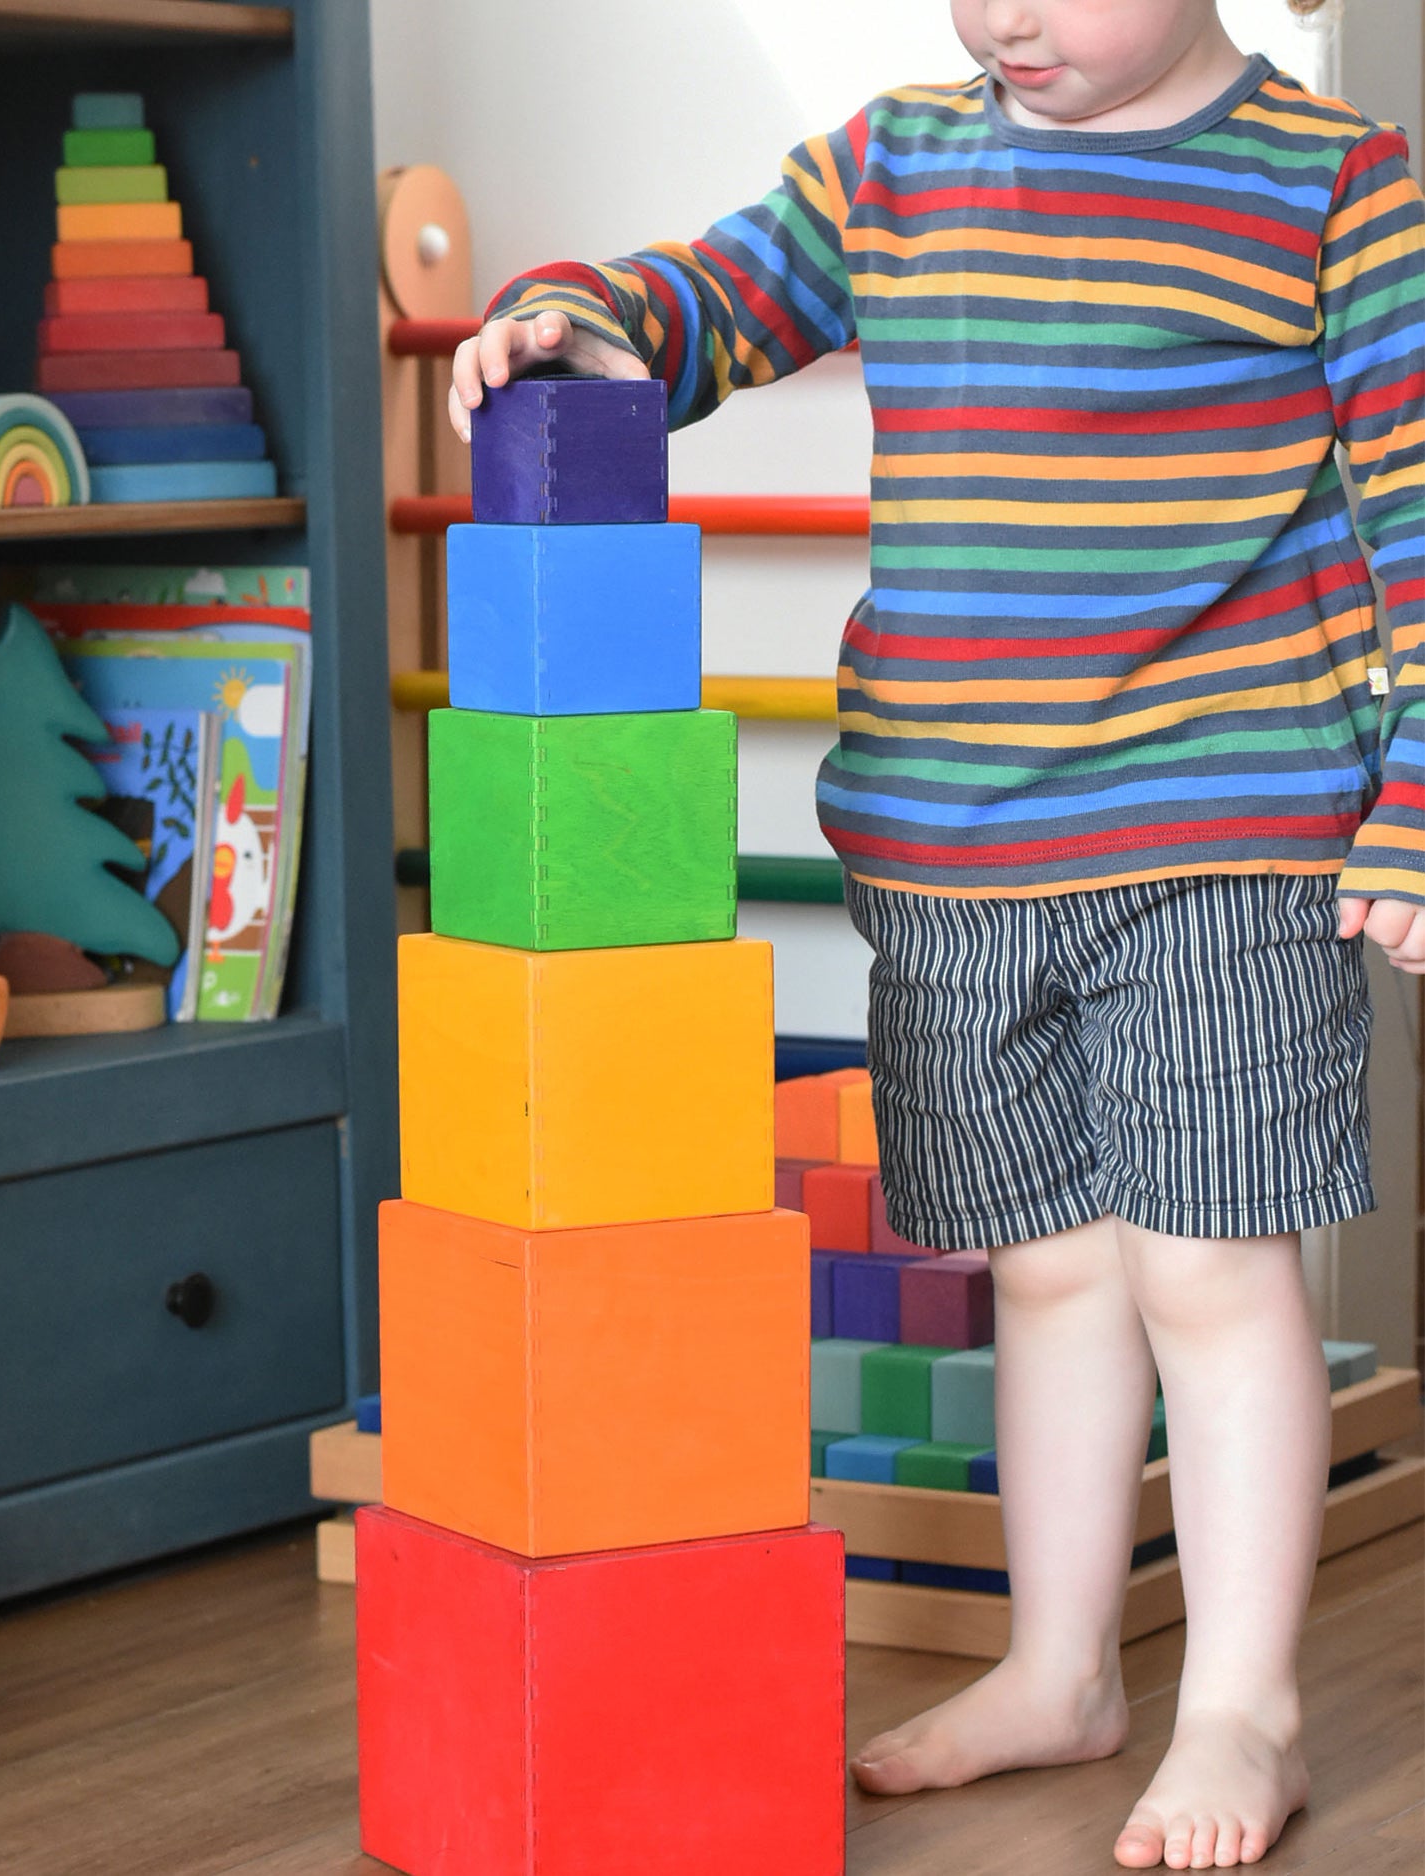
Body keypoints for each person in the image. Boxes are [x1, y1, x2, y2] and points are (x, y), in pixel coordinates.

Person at [447, 0, 1424, 1868]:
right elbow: (716, 296)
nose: (1000, 17)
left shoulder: (1327, 185)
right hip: (952, 839)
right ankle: (1060, 1666)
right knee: (1042, 1271)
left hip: (1218, 825)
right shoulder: (896, 157)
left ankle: (1243, 1704)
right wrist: (588, 314)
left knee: (1209, 1272)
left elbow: (1413, 513)